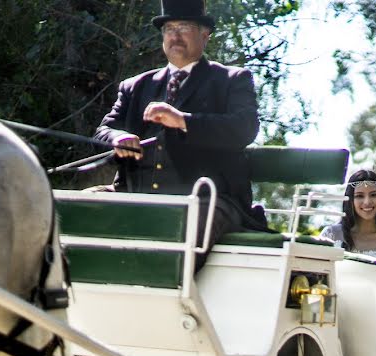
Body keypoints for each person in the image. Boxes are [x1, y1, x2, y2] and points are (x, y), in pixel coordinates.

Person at [94, 0, 268, 264]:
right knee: (71, 208)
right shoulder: (136, 86)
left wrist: (183, 120)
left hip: (208, 201)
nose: (174, 35)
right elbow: (102, 133)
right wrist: (117, 139)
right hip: (133, 195)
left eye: (184, 27)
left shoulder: (232, 80)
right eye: (168, 28)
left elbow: (244, 129)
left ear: (205, 35)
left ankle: (160, 293)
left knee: (185, 224)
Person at [320, 170, 376, 275]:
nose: (367, 202)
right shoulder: (330, 235)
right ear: (350, 199)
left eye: (373, 195)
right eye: (359, 196)